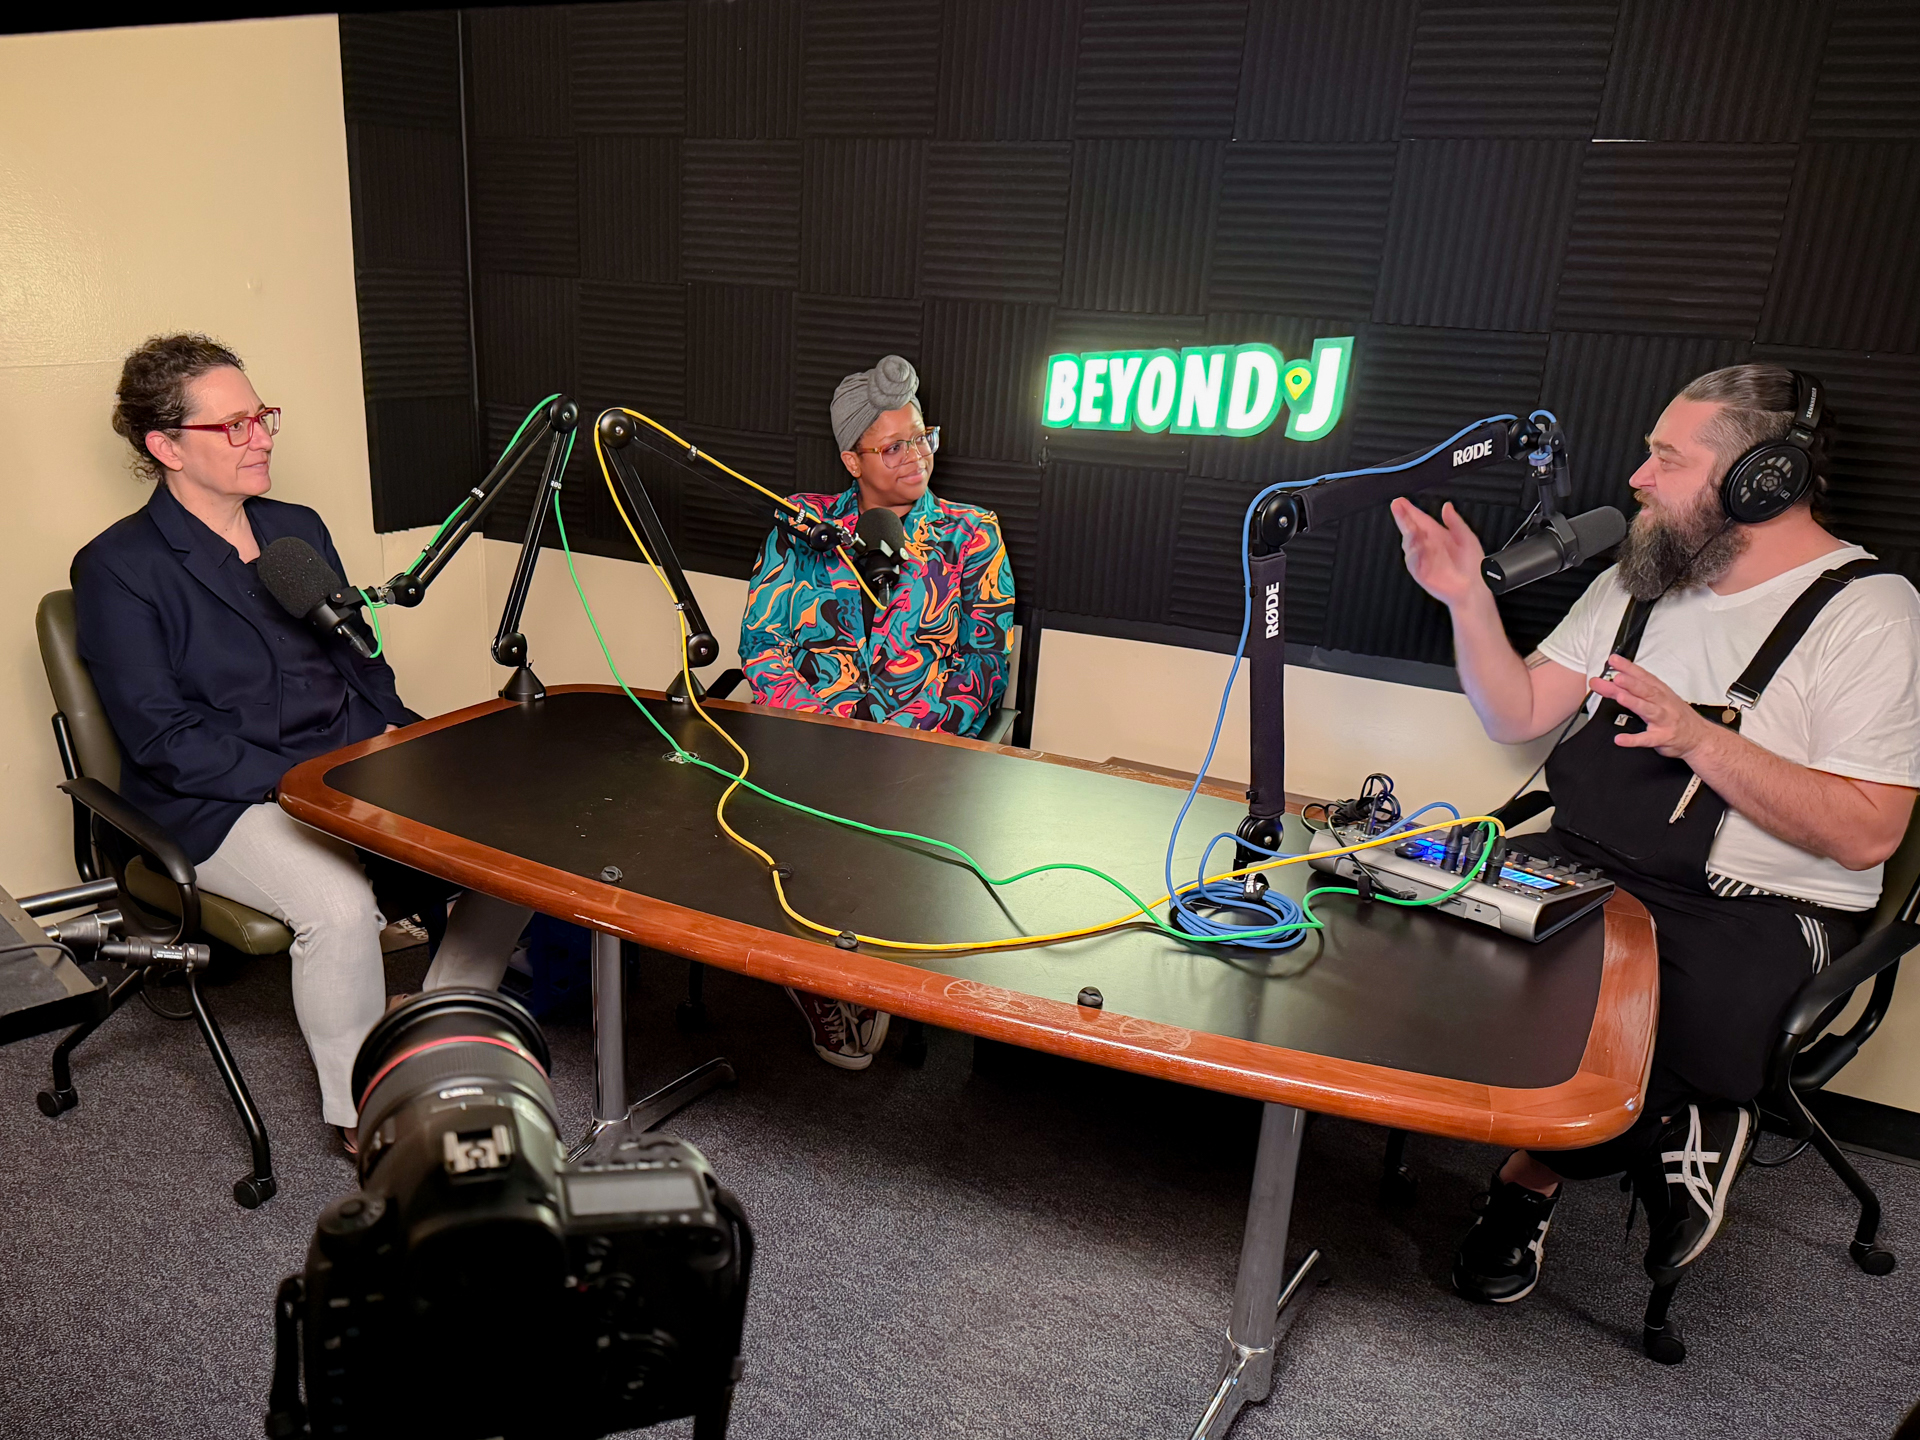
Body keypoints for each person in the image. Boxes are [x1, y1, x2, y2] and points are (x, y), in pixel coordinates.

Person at [1391, 364, 1920, 1303]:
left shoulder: (1871, 612)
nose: (1637, 476)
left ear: (1767, 480)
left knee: (1632, 1023)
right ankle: (1673, 1128)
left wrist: (1697, 739)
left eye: (1665, 458)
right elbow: (1515, 712)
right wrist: (1465, 599)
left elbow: (1868, 834)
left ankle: (1545, 1178)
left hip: (1760, 909)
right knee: (1424, 934)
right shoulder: (1639, 584)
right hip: (1593, 866)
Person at [73, 334, 533, 1153]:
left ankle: (424, 1027)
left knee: (520, 844)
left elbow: (360, 661)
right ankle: (366, 1112)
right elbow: (163, 739)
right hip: (219, 795)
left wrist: (397, 735)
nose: (263, 437)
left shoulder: (295, 530)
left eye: (263, 416)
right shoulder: (118, 568)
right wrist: (312, 789)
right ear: (164, 446)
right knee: (338, 909)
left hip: (348, 761)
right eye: (235, 426)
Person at [739, 353, 1015, 1069]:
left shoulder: (971, 534)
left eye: (922, 438)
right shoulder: (802, 528)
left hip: (918, 757)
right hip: (811, 746)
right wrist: (819, 730)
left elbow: (983, 665)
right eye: (893, 446)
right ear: (851, 459)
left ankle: (869, 973)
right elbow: (761, 645)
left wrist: (909, 739)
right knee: (786, 823)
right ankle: (819, 979)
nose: (915, 457)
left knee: (893, 824)